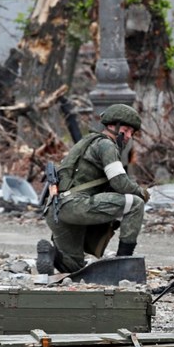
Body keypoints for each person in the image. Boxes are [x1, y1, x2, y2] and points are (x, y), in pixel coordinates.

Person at [36, 103, 149, 275]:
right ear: (112, 126)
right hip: (75, 206)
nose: (128, 136)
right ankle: (123, 264)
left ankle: (52, 254)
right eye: (125, 130)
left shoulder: (86, 142)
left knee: (74, 266)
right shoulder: (107, 145)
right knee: (135, 203)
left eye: (131, 133)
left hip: (56, 210)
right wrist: (141, 192)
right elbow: (120, 182)